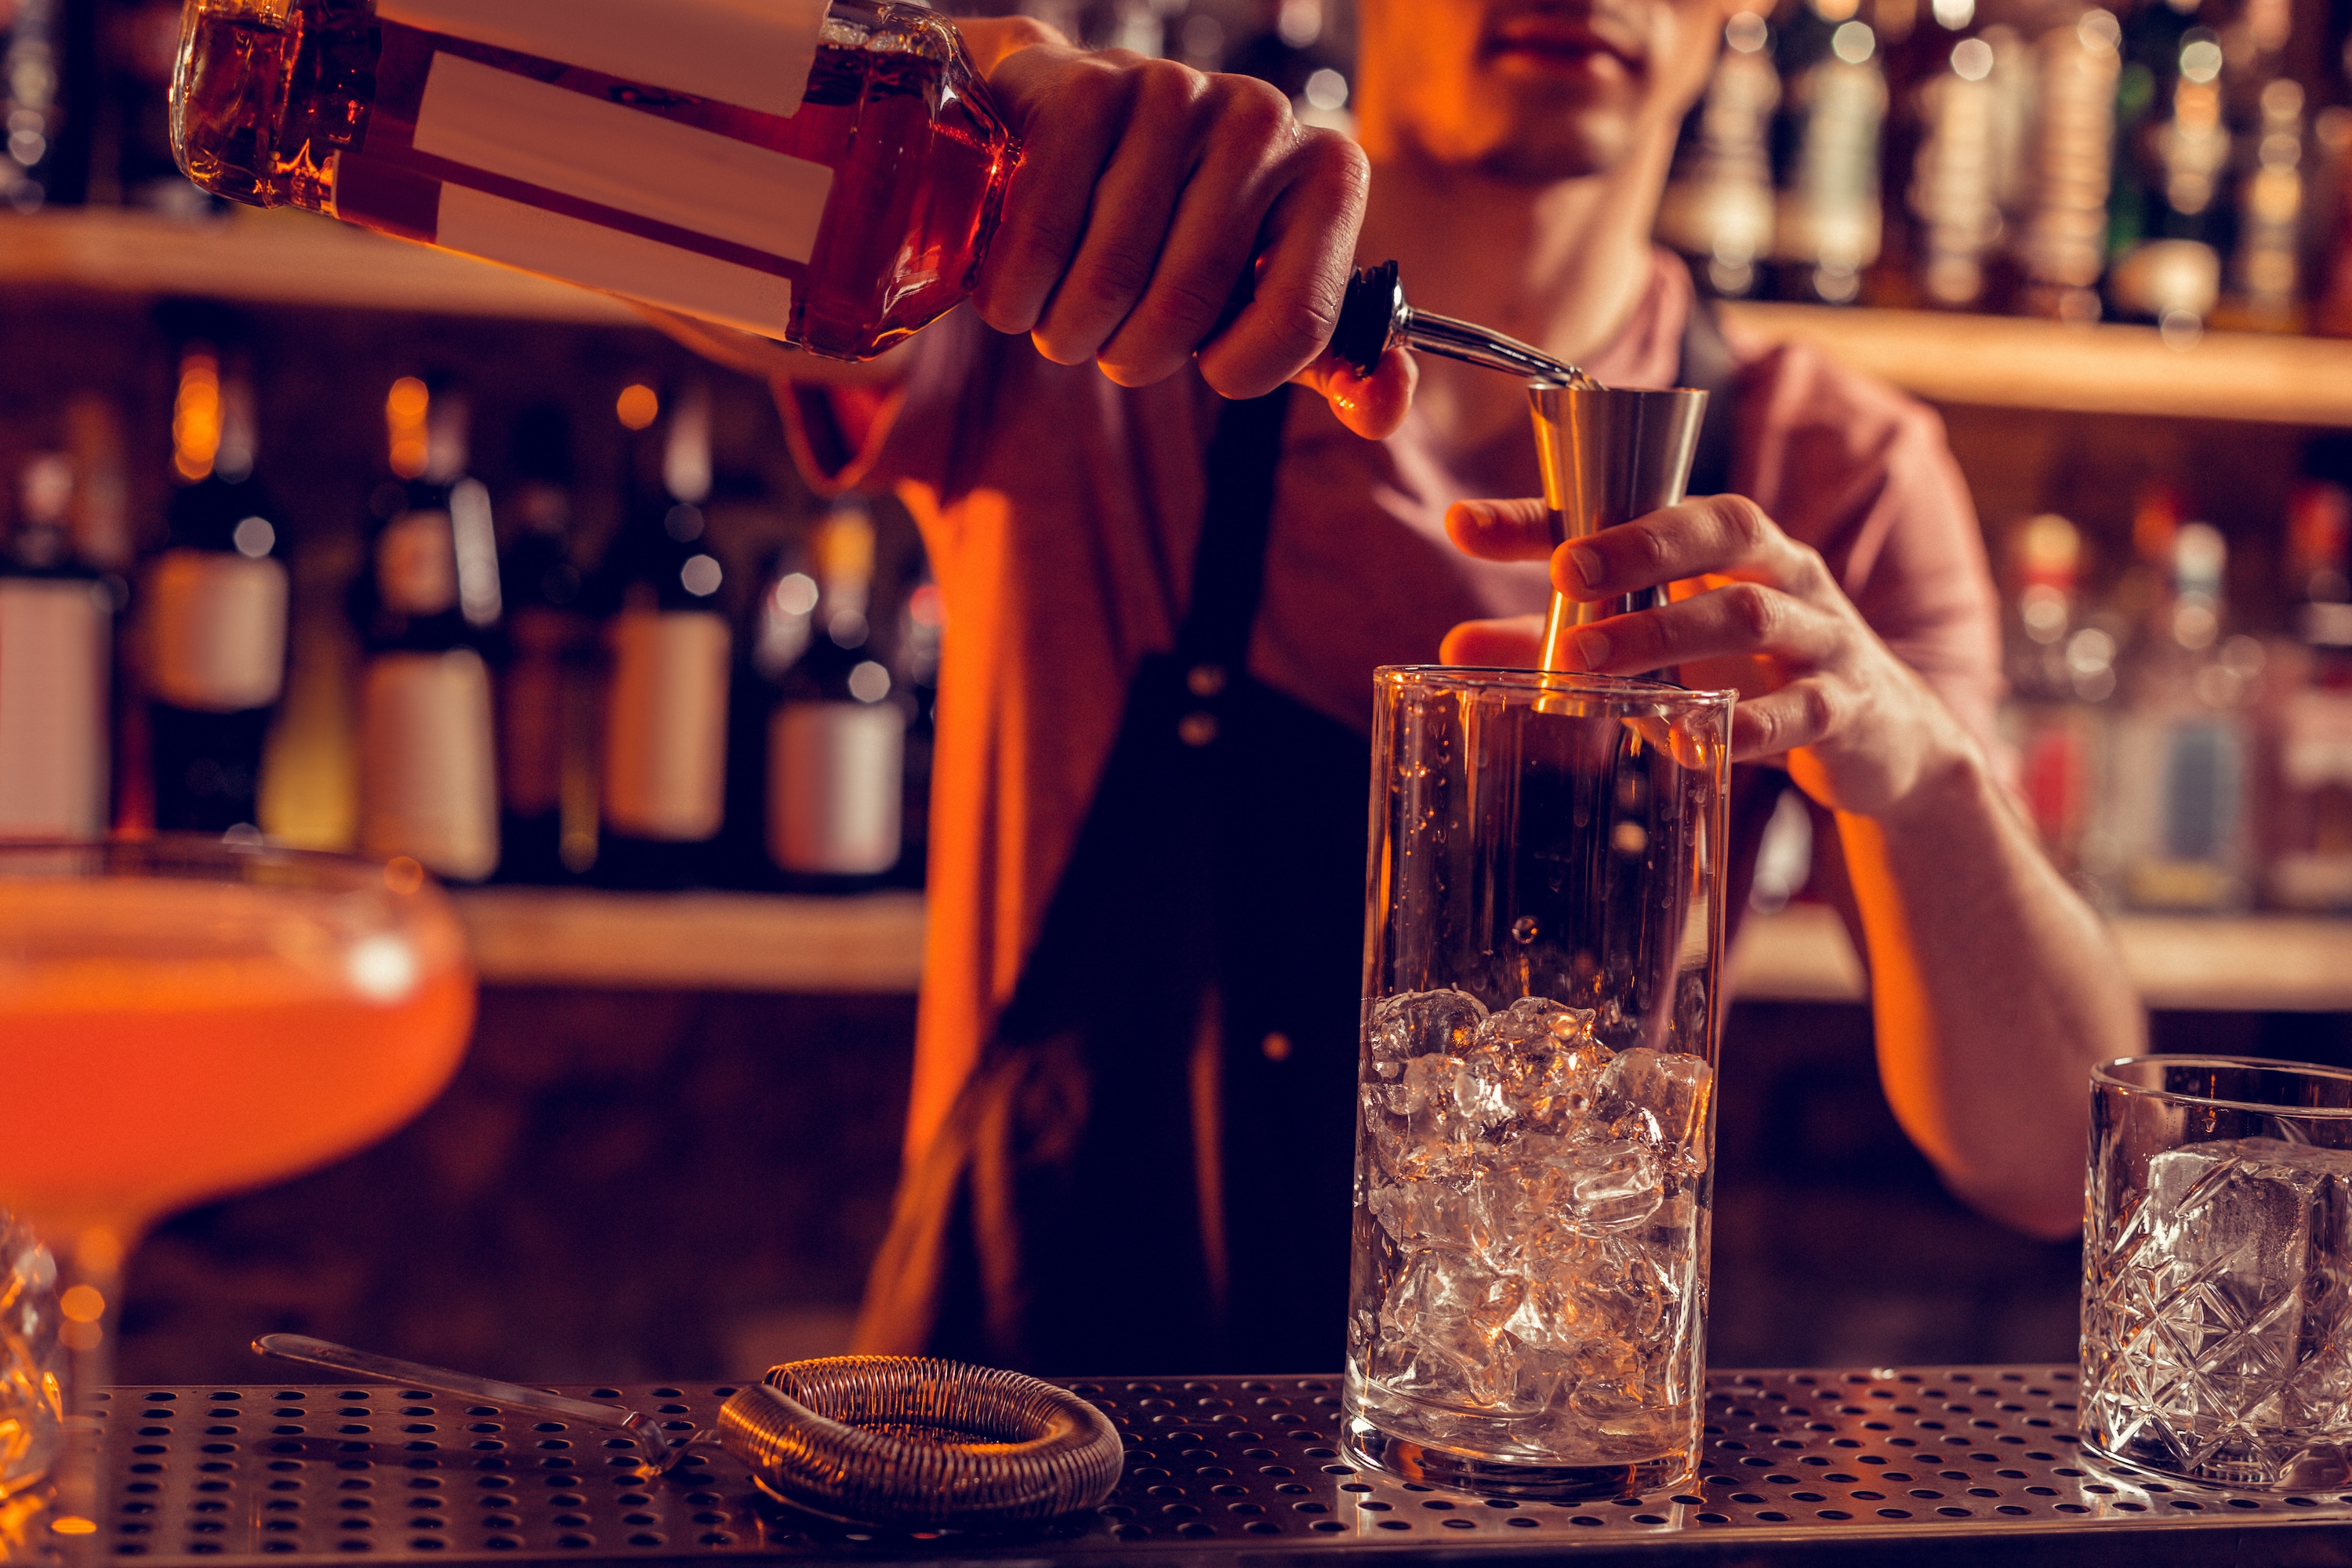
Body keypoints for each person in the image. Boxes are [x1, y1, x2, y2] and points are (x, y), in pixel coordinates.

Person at [652, 0, 2144, 1373]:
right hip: (1017, 1448)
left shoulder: (1836, 469)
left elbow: (2043, 1160)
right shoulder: (1097, 319)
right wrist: (962, 119)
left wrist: (1920, 766)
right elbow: (649, 169)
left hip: (1521, 1461)